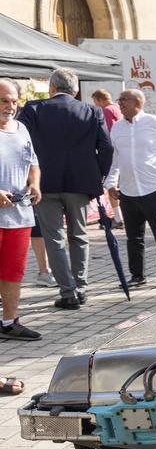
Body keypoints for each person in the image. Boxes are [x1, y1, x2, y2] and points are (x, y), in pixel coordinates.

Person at [19, 67, 113, 311]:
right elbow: (106, 148)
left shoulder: (33, 109)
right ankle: (81, 286)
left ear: (51, 88)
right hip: (80, 183)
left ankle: (68, 291)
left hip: (44, 183)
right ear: (76, 90)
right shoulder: (92, 111)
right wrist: (98, 176)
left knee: (54, 238)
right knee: (79, 235)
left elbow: (20, 143)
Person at [104, 89, 156, 290]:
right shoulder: (117, 128)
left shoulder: (154, 123)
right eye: (119, 100)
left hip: (152, 189)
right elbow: (115, 158)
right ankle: (137, 275)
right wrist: (110, 183)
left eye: (123, 100)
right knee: (133, 237)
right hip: (129, 191)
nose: (119, 103)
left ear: (137, 102)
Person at [0, 78, 43, 340]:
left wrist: (35, 184)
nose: (10, 106)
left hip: (19, 215)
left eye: (14, 101)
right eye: (4, 101)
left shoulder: (21, 129)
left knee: (13, 272)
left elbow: (32, 162)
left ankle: (9, 322)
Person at [90, 89, 124, 228]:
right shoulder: (117, 108)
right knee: (119, 185)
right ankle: (121, 216)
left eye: (95, 102)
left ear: (100, 100)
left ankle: (118, 218)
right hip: (122, 152)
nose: (96, 105)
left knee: (111, 185)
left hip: (112, 153)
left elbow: (107, 132)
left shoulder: (107, 110)